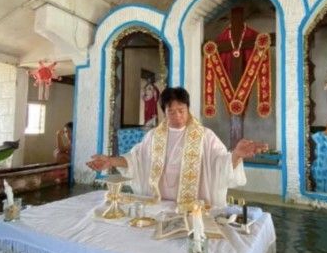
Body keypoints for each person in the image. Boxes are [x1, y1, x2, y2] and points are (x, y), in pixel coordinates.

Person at [86, 87, 268, 208]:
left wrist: (236, 155)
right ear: (164, 112)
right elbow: (134, 160)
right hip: (159, 204)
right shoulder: (153, 136)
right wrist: (110, 160)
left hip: (194, 205)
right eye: (171, 111)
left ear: (188, 109)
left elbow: (220, 162)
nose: (177, 116)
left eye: (181, 110)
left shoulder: (205, 135)